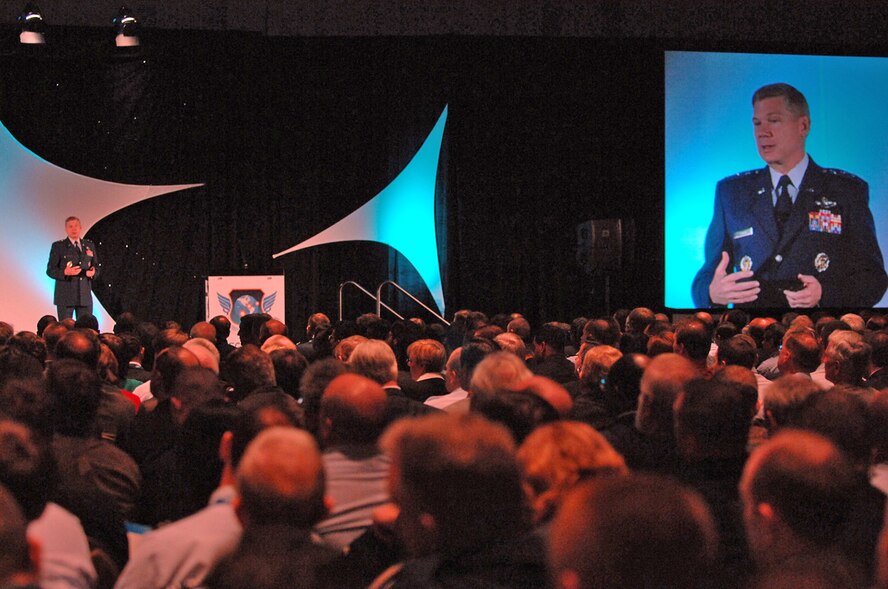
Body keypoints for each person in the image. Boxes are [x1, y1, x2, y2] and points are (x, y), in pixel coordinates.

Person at [692, 83, 887, 308]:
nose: (763, 132)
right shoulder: (733, 193)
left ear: (803, 126)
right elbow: (707, 276)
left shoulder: (845, 191)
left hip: (819, 324)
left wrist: (825, 294)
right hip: (752, 326)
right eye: (757, 123)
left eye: (774, 120)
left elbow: (873, 278)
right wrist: (712, 293)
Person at [46, 216, 100, 320]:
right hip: (65, 296)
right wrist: (65, 272)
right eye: (70, 226)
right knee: (66, 327)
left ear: (80, 228)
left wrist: (93, 273)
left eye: (76, 226)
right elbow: (50, 270)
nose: (74, 229)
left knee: (85, 327)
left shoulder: (89, 245)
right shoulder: (59, 246)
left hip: (84, 296)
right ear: (66, 229)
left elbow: (96, 267)